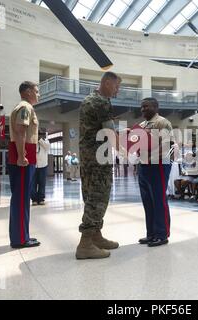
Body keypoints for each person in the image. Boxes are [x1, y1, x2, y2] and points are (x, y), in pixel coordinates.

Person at [76, 72, 122, 260]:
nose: (118, 90)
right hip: (98, 159)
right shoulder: (101, 102)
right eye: (116, 86)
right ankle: (85, 244)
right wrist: (126, 149)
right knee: (98, 196)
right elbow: (110, 133)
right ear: (107, 82)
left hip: (89, 157)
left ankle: (95, 235)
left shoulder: (88, 99)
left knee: (91, 195)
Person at [8, 81, 40, 249]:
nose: (38, 94)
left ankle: (21, 235)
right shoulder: (25, 107)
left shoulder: (23, 107)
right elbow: (21, 131)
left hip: (24, 156)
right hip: (23, 158)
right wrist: (22, 156)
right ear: (27, 92)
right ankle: (20, 239)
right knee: (21, 199)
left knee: (21, 198)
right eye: (36, 91)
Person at [137, 98, 173, 247]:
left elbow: (167, 144)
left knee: (158, 200)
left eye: (146, 106)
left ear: (156, 107)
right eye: (142, 107)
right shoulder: (141, 125)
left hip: (158, 164)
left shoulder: (162, 123)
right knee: (147, 201)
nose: (143, 109)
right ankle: (151, 233)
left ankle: (161, 234)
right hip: (143, 165)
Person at [31, 130, 50, 205]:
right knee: (33, 183)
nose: (40, 135)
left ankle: (41, 198)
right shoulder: (33, 141)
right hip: (34, 165)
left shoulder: (46, 142)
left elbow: (47, 147)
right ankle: (34, 199)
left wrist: (40, 140)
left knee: (42, 183)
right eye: (38, 134)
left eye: (41, 134)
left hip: (43, 166)